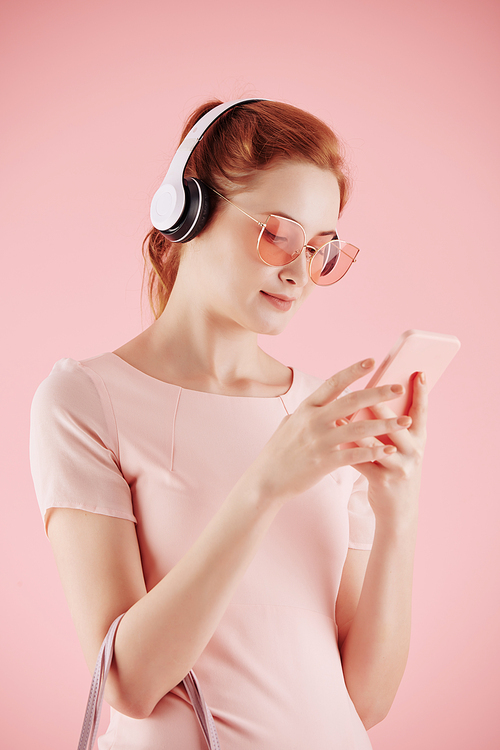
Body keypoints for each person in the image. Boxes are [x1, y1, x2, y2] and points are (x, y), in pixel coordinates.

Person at [30, 98, 427, 750]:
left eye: (322, 249)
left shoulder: (317, 416)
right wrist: (265, 484)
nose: (300, 271)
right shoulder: (84, 399)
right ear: (186, 210)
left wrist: (399, 516)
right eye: (277, 233)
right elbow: (127, 683)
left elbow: (366, 701)